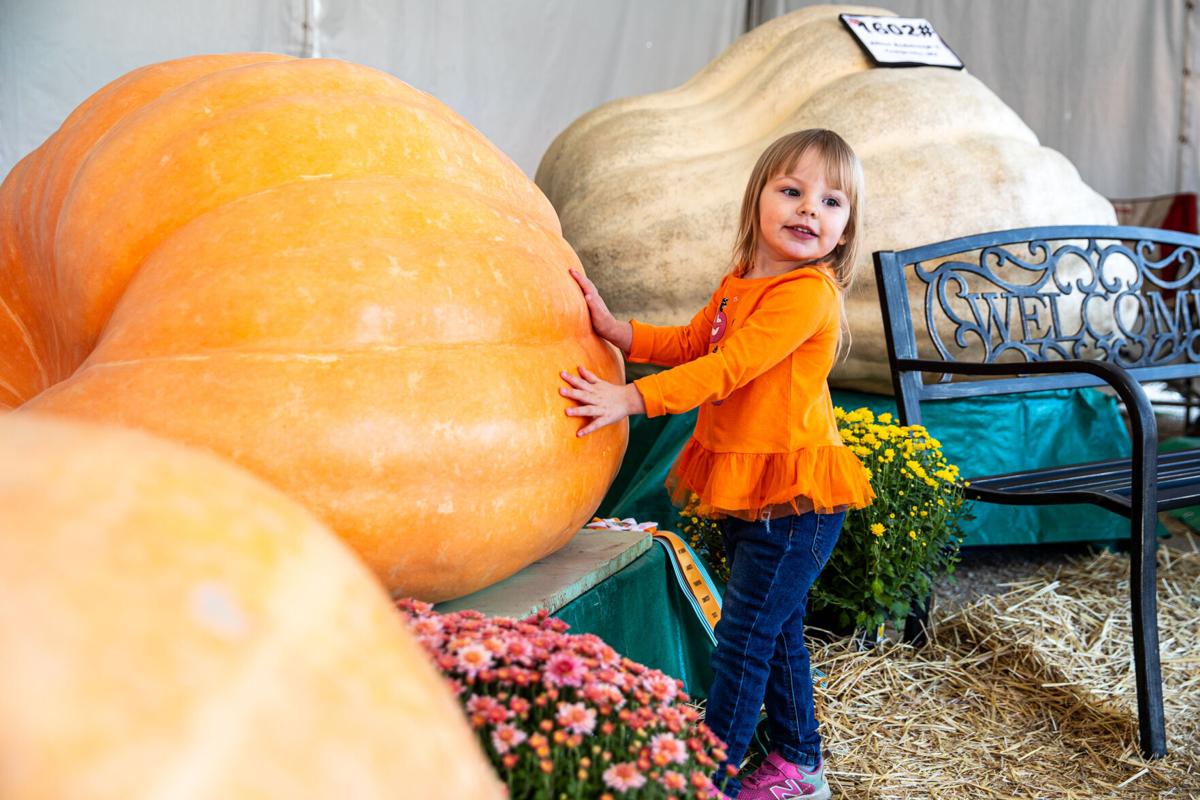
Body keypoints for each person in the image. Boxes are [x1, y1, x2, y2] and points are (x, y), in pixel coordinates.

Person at [559, 128, 875, 799]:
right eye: (791, 190)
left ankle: (708, 777)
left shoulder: (806, 294)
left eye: (831, 202)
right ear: (756, 201)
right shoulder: (740, 285)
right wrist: (622, 334)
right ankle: (799, 764)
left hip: (797, 501)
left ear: (845, 231)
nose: (808, 210)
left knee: (743, 639)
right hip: (753, 487)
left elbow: (726, 368)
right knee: (774, 628)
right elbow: (693, 339)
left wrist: (631, 398)